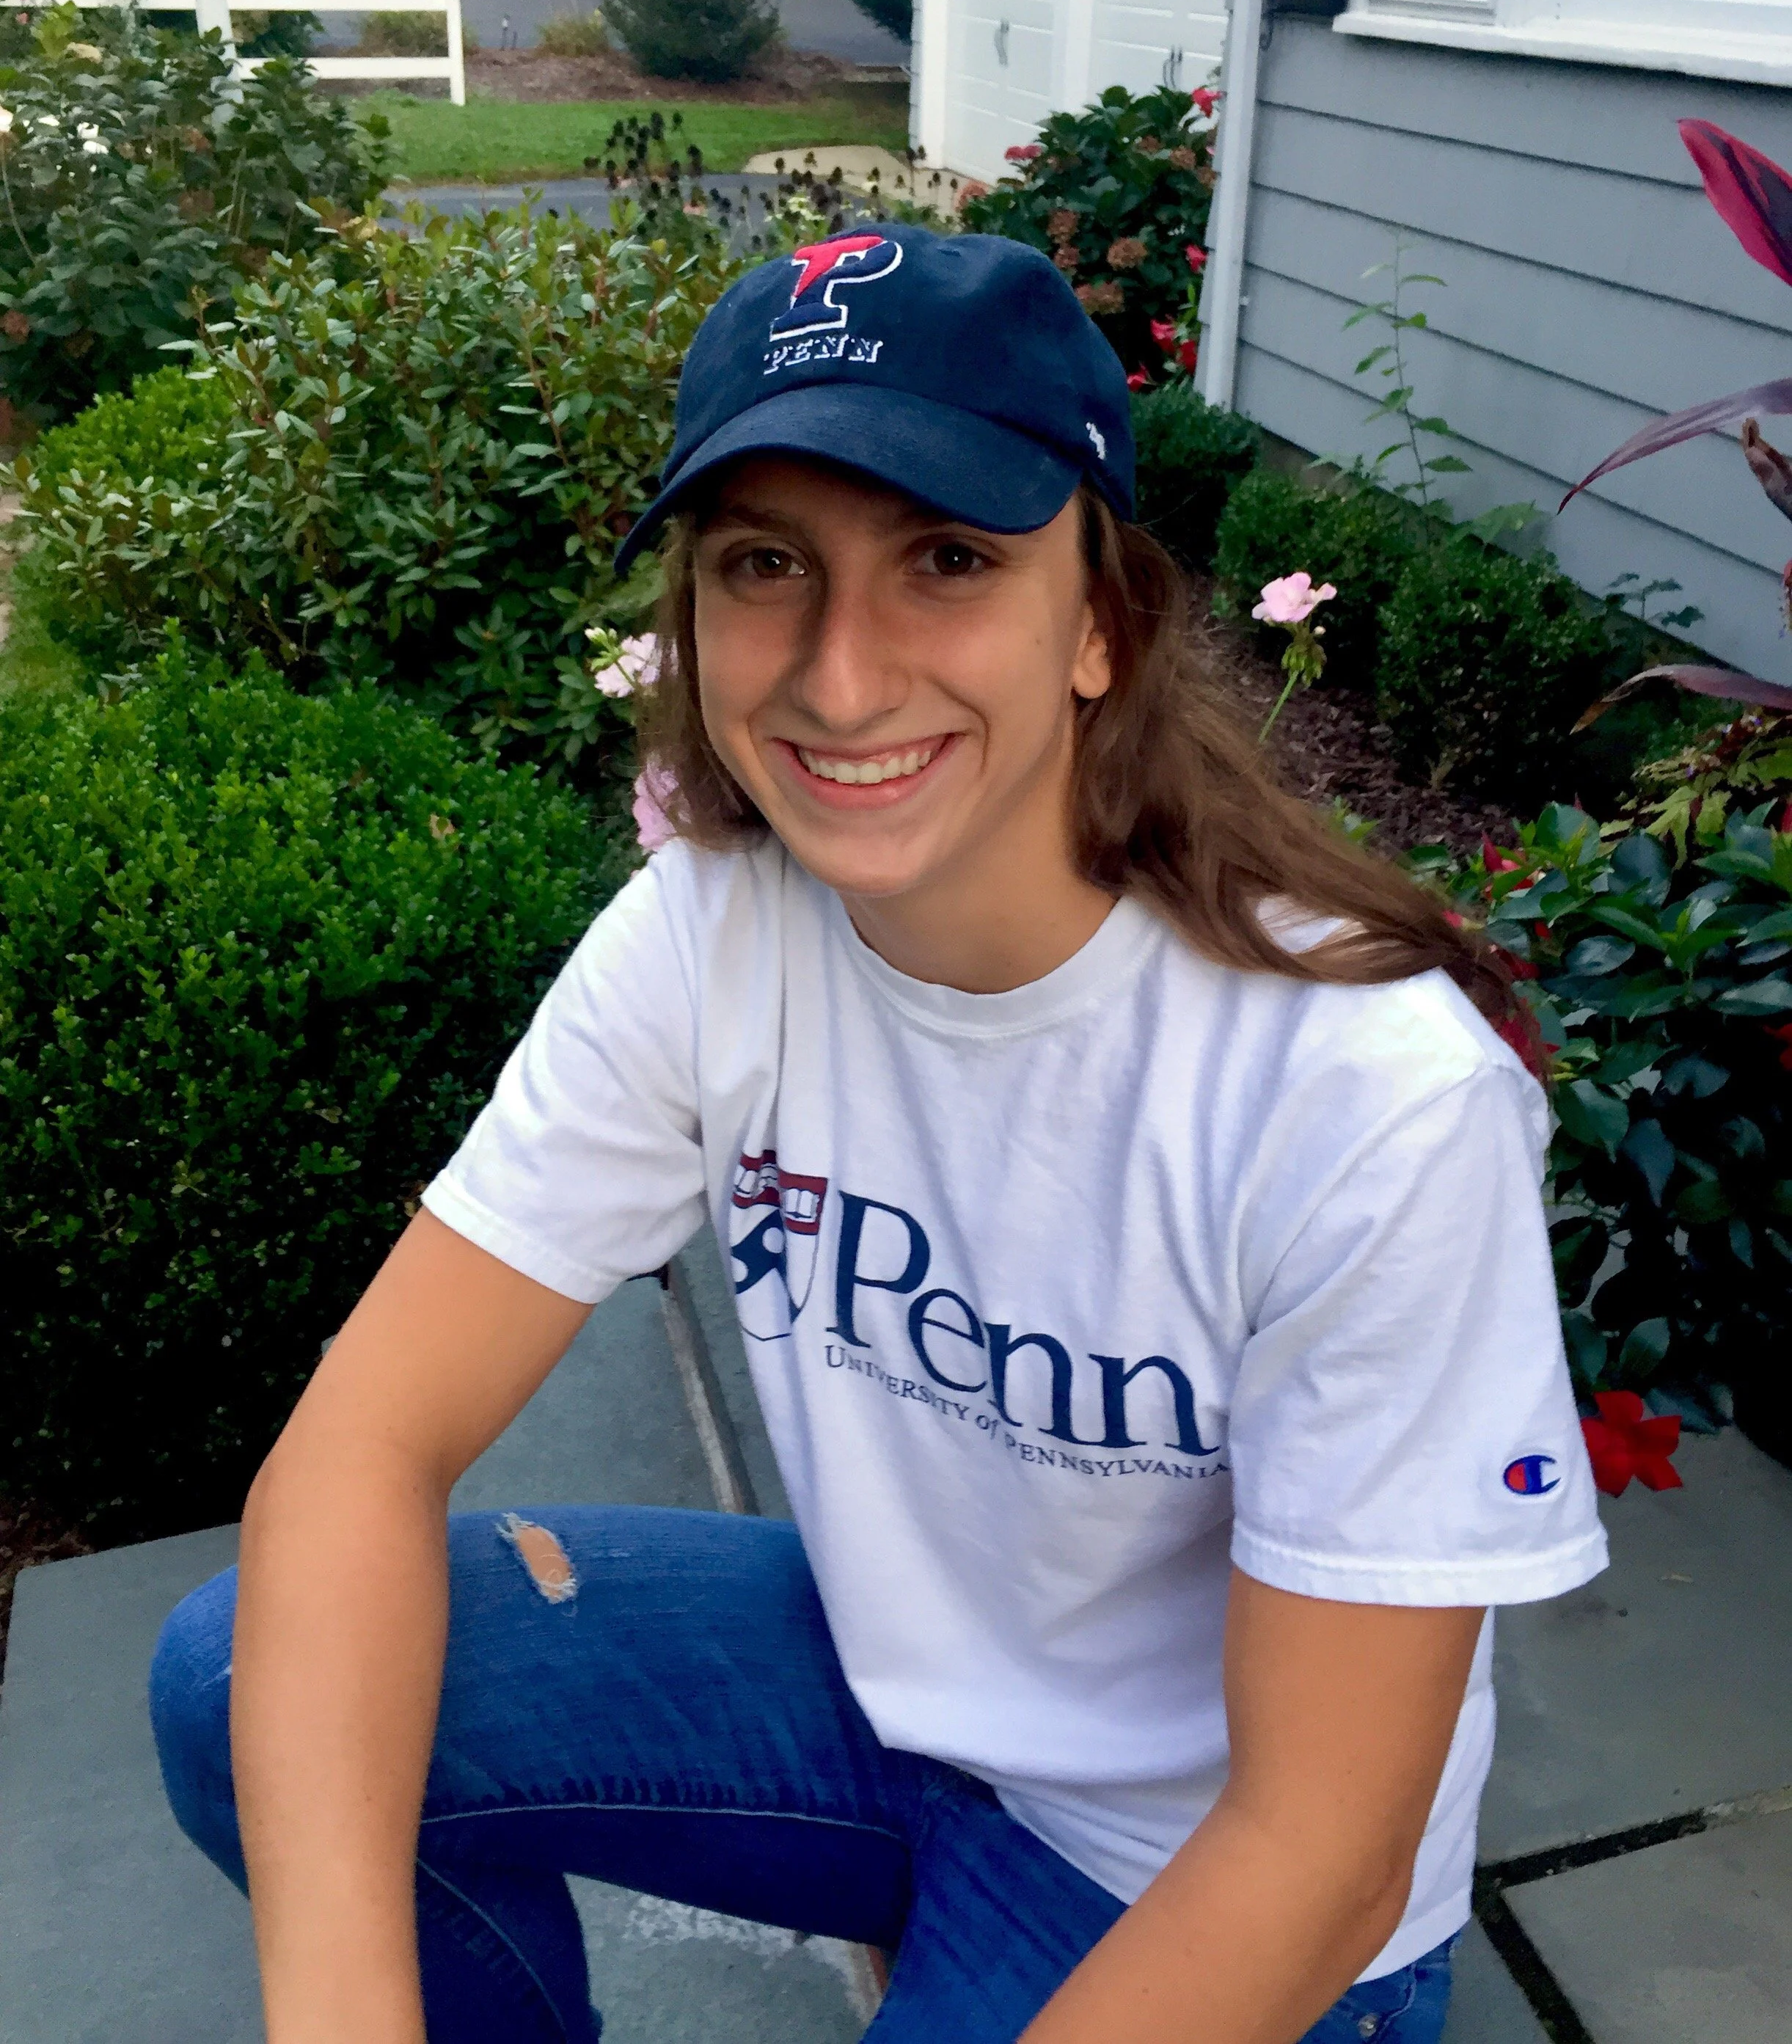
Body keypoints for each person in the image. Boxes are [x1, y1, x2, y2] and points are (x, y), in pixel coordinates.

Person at [150, 223, 1606, 2044]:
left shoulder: (1361, 1096)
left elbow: (1322, 1843)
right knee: (241, 1676)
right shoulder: (716, 933)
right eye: (766, 563)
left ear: (1101, 622)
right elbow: (357, 1451)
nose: (841, 678)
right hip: (886, 1705)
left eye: (948, 558)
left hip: (1194, 1871)